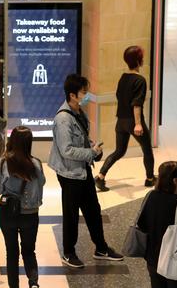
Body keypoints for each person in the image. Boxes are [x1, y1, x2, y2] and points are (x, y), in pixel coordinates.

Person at [48, 74, 124, 268]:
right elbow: (66, 150)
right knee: (71, 214)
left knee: (93, 210)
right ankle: (68, 252)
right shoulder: (63, 119)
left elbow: (80, 139)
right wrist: (91, 152)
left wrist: (92, 147)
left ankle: (101, 248)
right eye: (83, 92)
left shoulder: (79, 112)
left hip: (82, 171)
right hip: (69, 174)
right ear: (73, 95)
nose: (86, 94)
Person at [95, 45, 156, 192]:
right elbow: (137, 104)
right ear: (139, 60)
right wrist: (138, 124)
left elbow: (119, 97)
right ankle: (149, 179)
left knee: (119, 151)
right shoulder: (140, 80)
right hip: (132, 121)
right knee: (147, 149)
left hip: (120, 120)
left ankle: (100, 176)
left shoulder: (123, 78)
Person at [0, 126, 45, 288]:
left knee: (11, 253)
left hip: (9, 214)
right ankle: (33, 283)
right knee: (29, 251)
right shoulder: (36, 163)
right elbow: (41, 185)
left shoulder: (3, 162)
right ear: (29, 143)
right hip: (30, 214)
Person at [137, 161, 177, 288]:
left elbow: (142, 224)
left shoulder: (150, 196)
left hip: (153, 260)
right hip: (174, 261)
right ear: (175, 180)